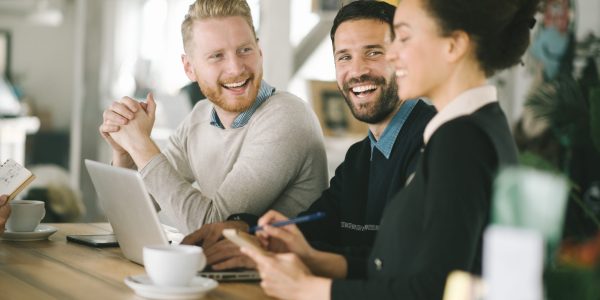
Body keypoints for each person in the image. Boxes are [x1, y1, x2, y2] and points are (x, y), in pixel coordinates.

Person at [242, 0, 537, 298]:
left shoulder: (461, 139)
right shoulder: (474, 127)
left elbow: (432, 290)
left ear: (453, 46)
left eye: (405, 38)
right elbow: (405, 268)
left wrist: (309, 290)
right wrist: (314, 258)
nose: (393, 55)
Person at [181, 1, 436, 272]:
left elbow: (409, 263)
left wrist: (292, 257)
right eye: (344, 57)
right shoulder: (361, 157)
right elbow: (316, 227)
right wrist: (245, 229)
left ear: (402, 57)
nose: (357, 70)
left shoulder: (435, 139)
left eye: (373, 53)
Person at [99, 0, 328, 234]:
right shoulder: (199, 116)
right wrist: (126, 155)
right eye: (217, 56)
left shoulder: (287, 117)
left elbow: (215, 229)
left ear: (259, 52)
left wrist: (141, 146)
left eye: (244, 50)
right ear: (189, 68)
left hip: (283, 269)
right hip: (220, 268)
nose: (236, 68)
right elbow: (128, 214)